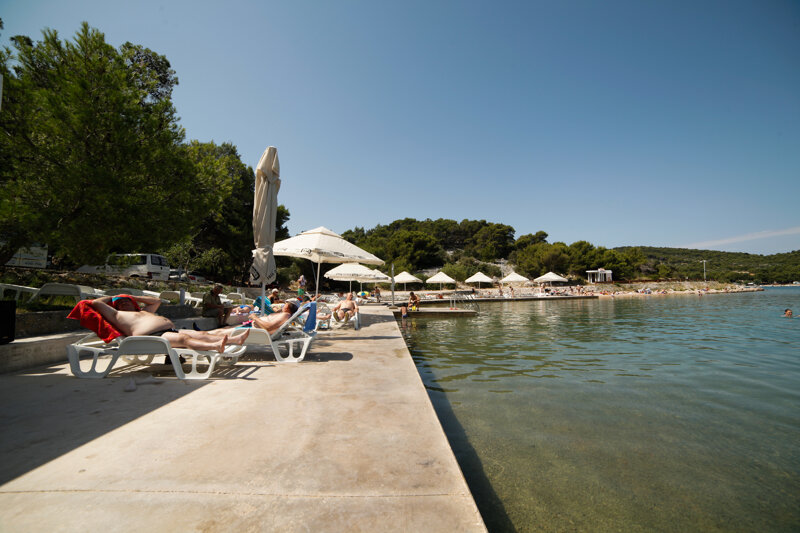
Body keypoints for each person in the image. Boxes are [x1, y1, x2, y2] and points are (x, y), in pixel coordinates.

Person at [90, 295, 249, 355]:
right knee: (184, 340)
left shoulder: (145, 310)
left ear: (134, 304)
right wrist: (113, 297)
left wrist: (132, 296)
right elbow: (96, 303)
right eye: (120, 302)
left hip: (167, 331)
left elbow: (157, 301)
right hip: (151, 337)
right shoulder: (118, 315)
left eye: (127, 301)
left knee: (203, 334)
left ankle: (235, 340)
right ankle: (215, 347)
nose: (124, 303)